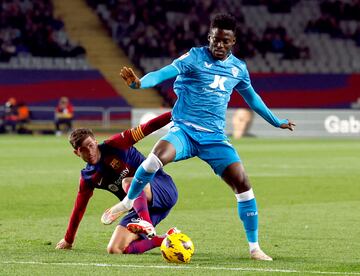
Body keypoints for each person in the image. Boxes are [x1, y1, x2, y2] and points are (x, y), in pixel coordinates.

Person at [104, 13, 295, 261]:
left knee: (243, 185)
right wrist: (140, 84)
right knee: (154, 159)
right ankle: (129, 202)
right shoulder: (194, 56)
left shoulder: (238, 68)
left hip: (214, 138)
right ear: (209, 37)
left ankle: (254, 247)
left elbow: (253, 99)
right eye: (215, 39)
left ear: (233, 42)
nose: (219, 45)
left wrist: (275, 121)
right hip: (184, 130)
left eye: (225, 41)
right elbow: (162, 73)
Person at [55, 111, 178, 254]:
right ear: (77, 153)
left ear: (95, 142)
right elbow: (79, 209)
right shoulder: (88, 177)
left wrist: (175, 112)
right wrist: (68, 240)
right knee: (115, 249)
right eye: (83, 150)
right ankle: (164, 239)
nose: (89, 152)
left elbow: (148, 127)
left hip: (162, 188)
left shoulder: (117, 144)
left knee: (129, 182)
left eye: (90, 145)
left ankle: (146, 223)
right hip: (142, 207)